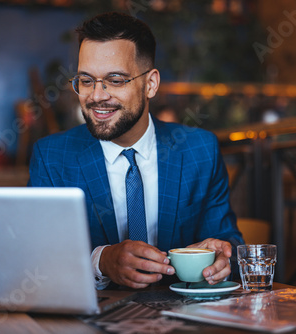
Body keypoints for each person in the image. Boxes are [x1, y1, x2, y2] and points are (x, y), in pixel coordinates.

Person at [28, 12, 244, 289]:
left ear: (150, 84)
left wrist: (222, 255)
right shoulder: (52, 157)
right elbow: (37, 259)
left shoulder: (200, 150)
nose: (96, 96)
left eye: (115, 80)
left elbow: (230, 244)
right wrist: (102, 260)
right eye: (86, 80)